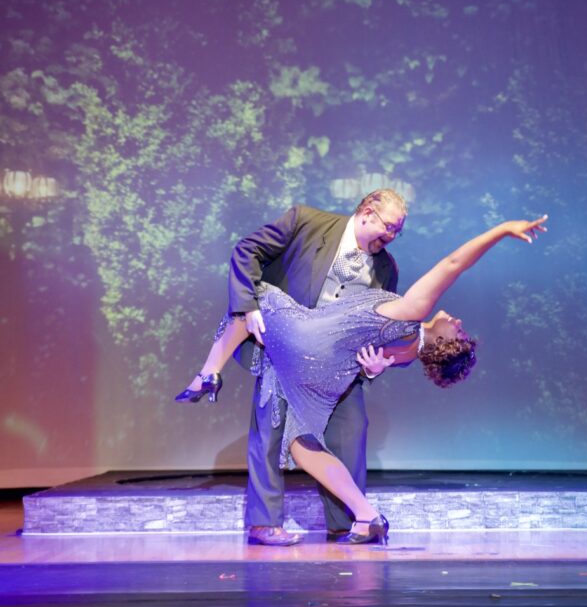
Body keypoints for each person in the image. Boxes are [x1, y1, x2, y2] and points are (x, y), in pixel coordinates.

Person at [176, 215, 549, 545]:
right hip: (326, 379)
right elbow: (372, 362)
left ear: (446, 343)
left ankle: (208, 374)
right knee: (303, 447)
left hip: (311, 344)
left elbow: (454, 264)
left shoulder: (411, 313)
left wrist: (501, 230)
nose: (459, 321)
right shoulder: (407, 350)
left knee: (255, 299)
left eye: (459, 330)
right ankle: (368, 516)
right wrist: (374, 369)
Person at [177, 190, 407, 546]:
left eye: (397, 232)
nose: (390, 237)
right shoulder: (307, 222)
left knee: (351, 429)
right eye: (388, 227)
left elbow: (375, 323)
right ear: (366, 212)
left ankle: (351, 522)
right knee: (270, 430)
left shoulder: (386, 269)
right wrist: (248, 306)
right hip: (286, 348)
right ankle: (264, 523)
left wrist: (374, 367)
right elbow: (246, 250)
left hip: (339, 364)